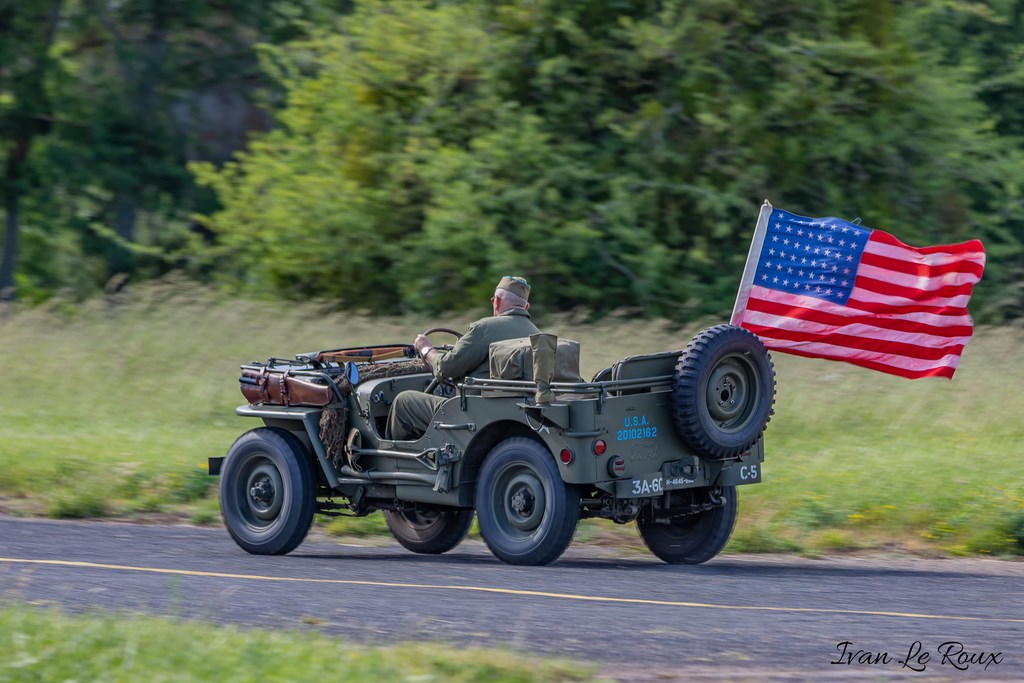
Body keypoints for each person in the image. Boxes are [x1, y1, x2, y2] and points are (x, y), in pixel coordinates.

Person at [386, 276, 540, 441]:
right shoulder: (538, 336)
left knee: (404, 402)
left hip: (471, 417)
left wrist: (425, 349)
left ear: (496, 302)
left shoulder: (485, 328)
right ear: (526, 306)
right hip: (515, 417)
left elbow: (445, 369)